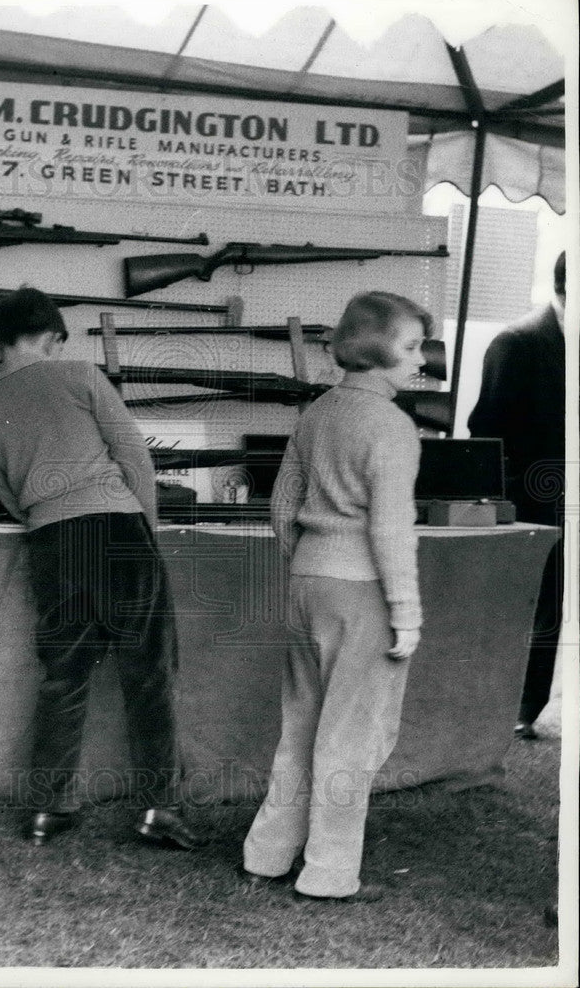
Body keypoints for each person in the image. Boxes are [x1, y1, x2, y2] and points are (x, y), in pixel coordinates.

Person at [0, 287, 202, 849]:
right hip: (117, 529)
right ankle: (158, 808)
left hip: (50, 541)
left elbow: (9, 497)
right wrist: (145, 531)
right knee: (148, 672)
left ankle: (47, 810)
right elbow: (134, 458)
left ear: (2, 341)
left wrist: (50, 518)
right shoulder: (80, 376)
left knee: (64, 676)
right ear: (52, 337)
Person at [241, 291, 431, 903]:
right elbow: (391, 529)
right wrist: (406, 613)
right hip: (363, 592)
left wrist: (308, 563)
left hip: (308, 584)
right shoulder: (393, 426)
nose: (421, 359)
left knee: (300, 728)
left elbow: (282, 506)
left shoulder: (317, 413)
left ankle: (266, 854)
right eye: (412, 347)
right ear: (376, 350)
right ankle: (328, 873)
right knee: (352, 737)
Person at [468, 251, 565, 739]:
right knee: (540, 605)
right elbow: (487, 430)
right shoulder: (517, 343)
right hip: (536, 502)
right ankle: (522, 705)